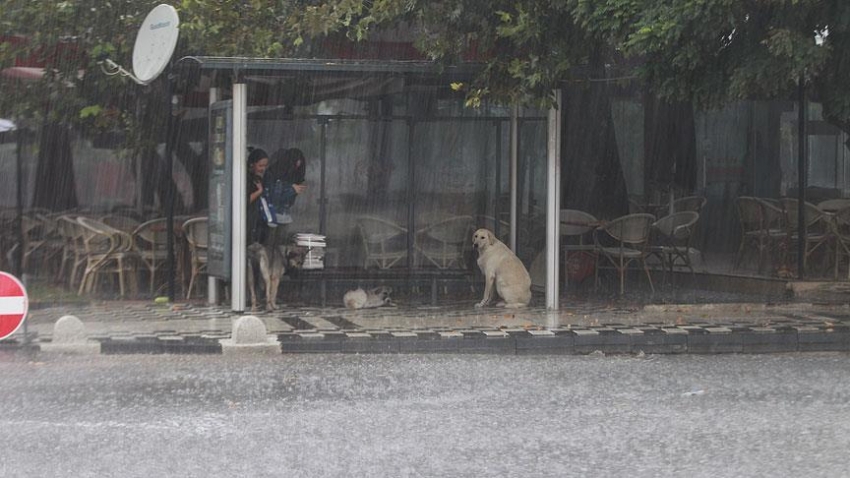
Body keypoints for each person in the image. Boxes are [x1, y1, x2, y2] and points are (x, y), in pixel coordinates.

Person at [264, 148, 308, 246]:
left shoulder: (292, 176)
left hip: (284, 216)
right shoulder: (274, 174)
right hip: (271, 215)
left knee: (280, 245)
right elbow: (274, 197)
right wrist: (291, 189)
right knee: (270, 245)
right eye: (294, 165)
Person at [247, 147, 270, 245]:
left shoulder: (259, 178)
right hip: (247, 221)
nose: (263, 169)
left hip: (257, 222)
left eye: (265, 166)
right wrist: (259, 191)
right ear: (252, 164)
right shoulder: (246, 178)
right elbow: (244, 201)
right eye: (260, 165)